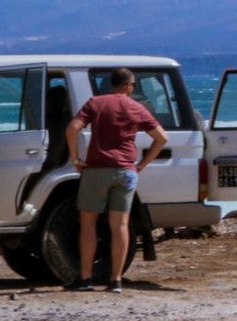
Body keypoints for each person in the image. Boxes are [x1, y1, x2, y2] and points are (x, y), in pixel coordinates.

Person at [66, 68, 170, 292]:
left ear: (111, 84)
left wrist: (75, 157)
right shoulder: (136, 107)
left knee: (88, 224)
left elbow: (72, 128)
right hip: (126, 172)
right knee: (120, 225)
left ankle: (85, 278)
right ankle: (116, 280)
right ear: (129, 86)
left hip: (97, 170)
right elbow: (162, 138)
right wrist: (142, 164)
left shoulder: (96, 102)